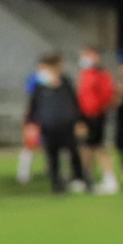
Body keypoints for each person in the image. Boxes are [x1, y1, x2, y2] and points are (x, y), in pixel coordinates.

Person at [25, 54, 88, 193]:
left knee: (73, 152)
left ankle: (79, 179)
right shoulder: (40, 87)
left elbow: (75, 102)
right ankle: (56, 184)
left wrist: (79, 121)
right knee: (52, 155)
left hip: (67, 124)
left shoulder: (66, 82)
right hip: (49, 126)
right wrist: (30, 123)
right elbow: (33, 106)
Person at [75, 47, 120, 195]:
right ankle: (86, 178)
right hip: (86, 116)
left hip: (95, 116)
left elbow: (106, 95)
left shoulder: (101, 74)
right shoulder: (85, 74)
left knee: (97, 147)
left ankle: (109, 179)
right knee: (86, 147)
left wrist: (98, 111)